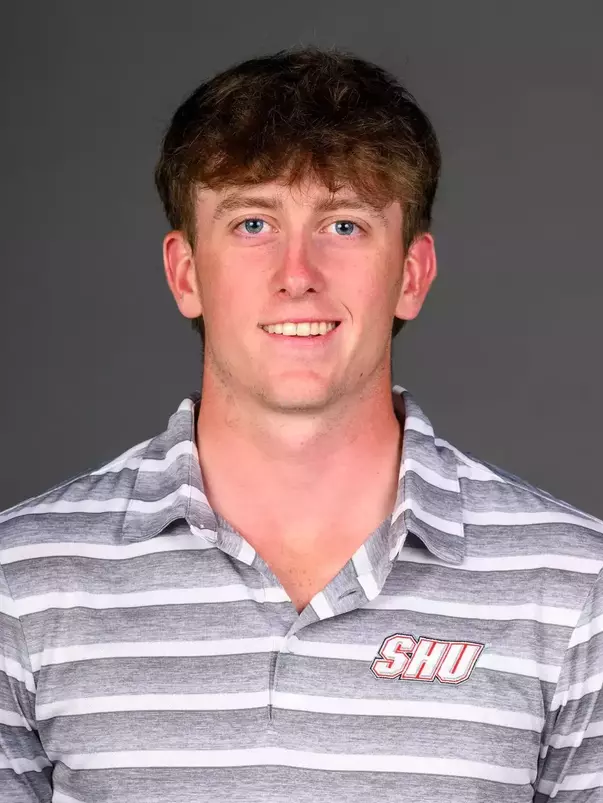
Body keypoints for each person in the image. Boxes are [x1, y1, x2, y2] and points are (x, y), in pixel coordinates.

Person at [0, 46, 601, 803]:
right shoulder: (21, 581)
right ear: (185, 273)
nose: (297, 274)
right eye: (252, 223)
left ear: (411, 275)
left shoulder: (576, 589)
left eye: (344, 225)